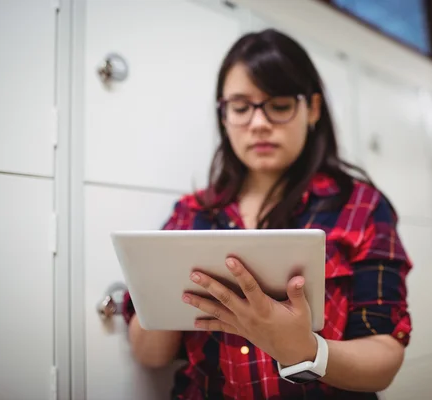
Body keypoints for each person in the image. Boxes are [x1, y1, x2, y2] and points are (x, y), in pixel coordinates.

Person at [122, 28, 412, 400]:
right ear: (224, 116)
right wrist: (163, 286)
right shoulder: (191, 214)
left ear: (313, 109)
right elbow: (150, 354)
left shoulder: (361, 207)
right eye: (241, 108)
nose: (258, 123)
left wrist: (306, 350)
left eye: (278, 105)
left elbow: (384, 359)